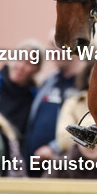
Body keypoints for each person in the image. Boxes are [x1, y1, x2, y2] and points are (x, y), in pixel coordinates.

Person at [20, 37, 81, 176]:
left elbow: (85, 127)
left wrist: (54, 148)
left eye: (58, 44)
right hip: (31, 169)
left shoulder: (83, 85)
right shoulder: (48, 81)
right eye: (50, 45)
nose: (53, 50)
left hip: (61, 169)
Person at [49, 62, 97, 179]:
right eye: (95, 74)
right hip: (73, 167)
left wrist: (81, 131)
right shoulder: (73, 103)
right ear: (87, 77)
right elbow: (63, 140)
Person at [0, 39, 43, 138]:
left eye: (28, 63)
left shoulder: (35, 96)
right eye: (19, 59)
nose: (21, 66)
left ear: (37, 70)